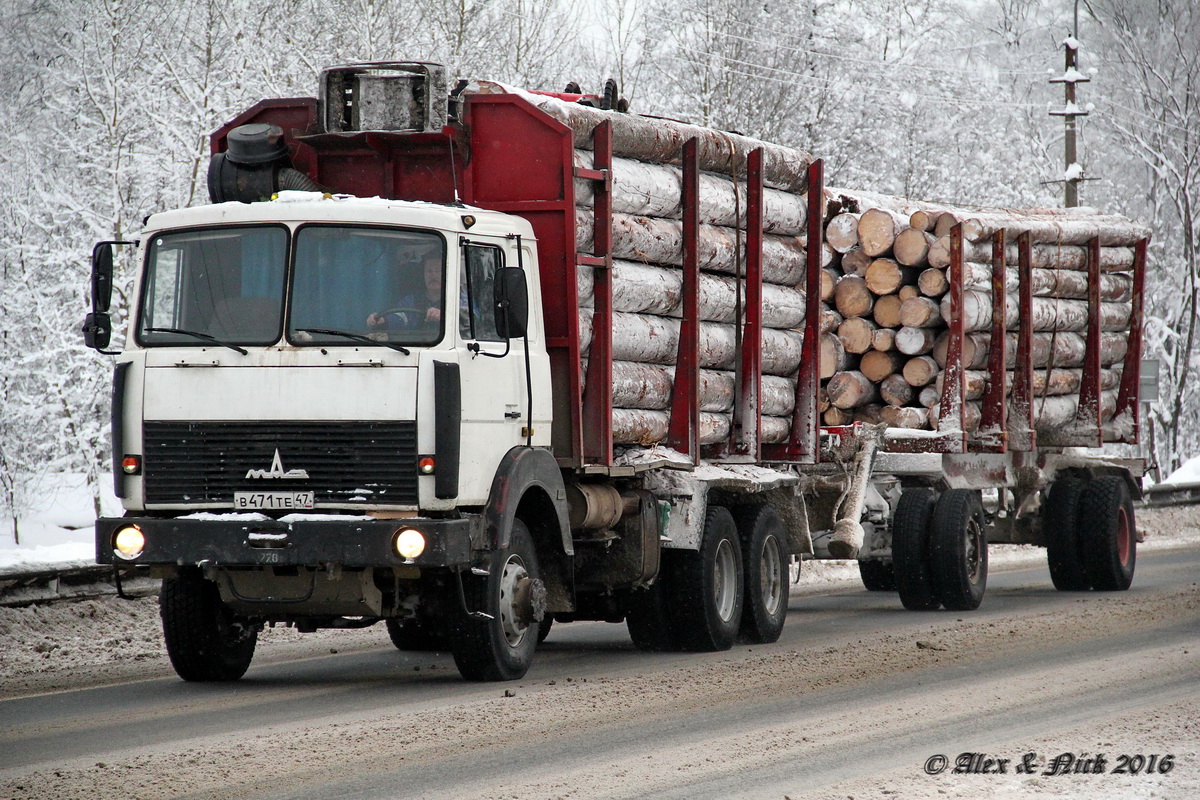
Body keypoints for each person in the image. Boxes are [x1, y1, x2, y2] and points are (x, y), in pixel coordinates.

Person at [366, 250, 443, 332]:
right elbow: (398, 318)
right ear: (423, 274)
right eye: (429, 271)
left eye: (438, 271)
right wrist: (382, 320)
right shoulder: (411, 301)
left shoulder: (457, 301)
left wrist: (443, 317)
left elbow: (458, 321)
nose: (433, 275)